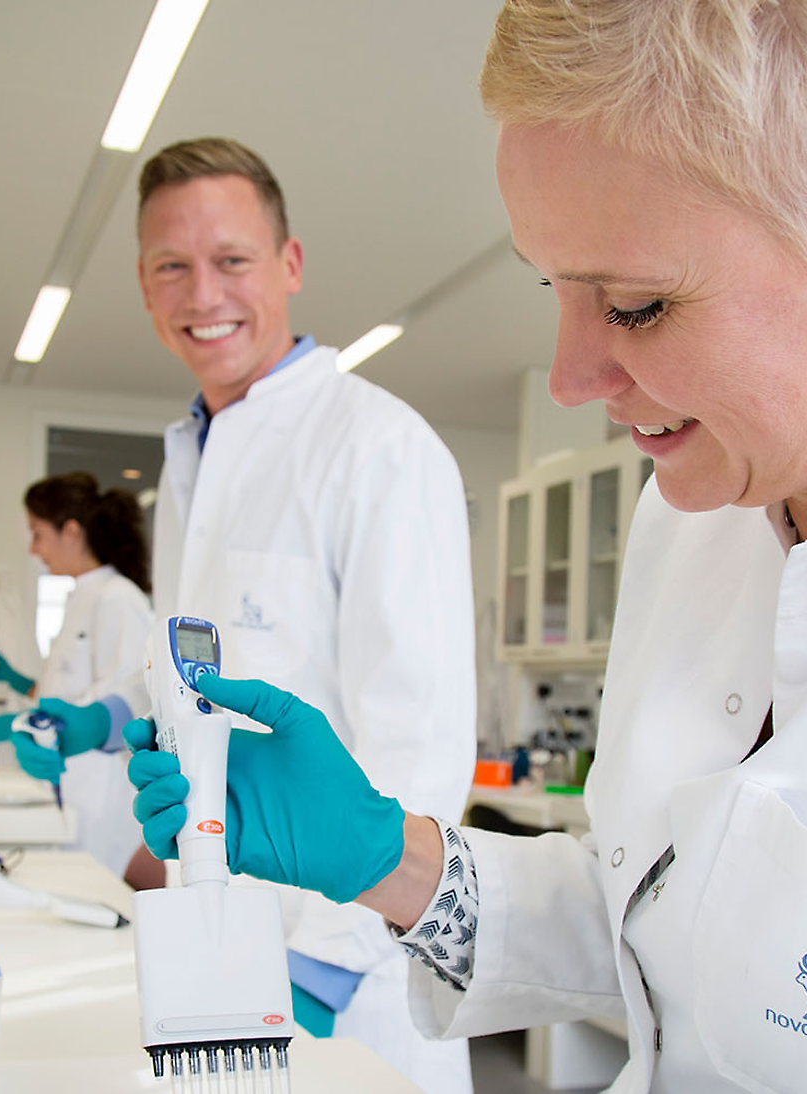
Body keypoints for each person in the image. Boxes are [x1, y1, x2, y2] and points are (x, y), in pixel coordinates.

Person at [128, 2, 807, 1091]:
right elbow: (649, 932)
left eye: (638, 303)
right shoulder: (690, 517)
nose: (570, 377)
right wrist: (387, 854)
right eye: (552, 286)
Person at [127, 137, 477, 1091]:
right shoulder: (190, 464)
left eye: (232, 260)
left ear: (289, 265)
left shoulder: (379, 449)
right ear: (145, 286)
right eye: (173, 267)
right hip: (217, 962)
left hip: (345, 989)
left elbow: (424, 740)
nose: (204, 295)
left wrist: (317, 972)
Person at [0, 472, 161, 889]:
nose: (33, 549)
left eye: (38, 534)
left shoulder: (119, 598)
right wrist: (15, 680)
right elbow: (63, 692)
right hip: (73, 785)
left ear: (71, 531)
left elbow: (129, 697)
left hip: (104, 792)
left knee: (97, 898)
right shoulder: (82, 596)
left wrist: (40, 723)